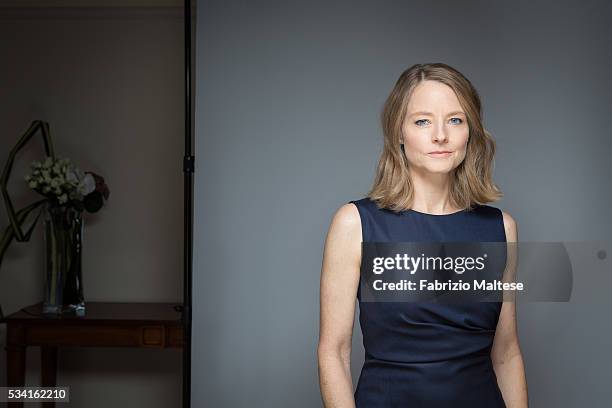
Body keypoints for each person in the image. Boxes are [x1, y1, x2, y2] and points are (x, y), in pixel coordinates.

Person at [317, 63, 528, 407]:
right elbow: (334, 353)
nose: (440, 135)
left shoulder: (501, 228)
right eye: (423, 121)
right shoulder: (354, 223)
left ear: (470, 131)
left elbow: (506, 353)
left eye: (455, 120)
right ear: (399, 132)